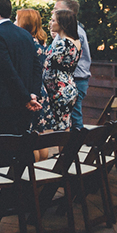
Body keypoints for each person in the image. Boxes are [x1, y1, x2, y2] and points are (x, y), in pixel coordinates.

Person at [0, 0, 42, 136]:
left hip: (4, 102)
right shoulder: (25, 34)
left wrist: (27, 98)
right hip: (25, 101)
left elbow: (7, 70)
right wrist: (32, 94)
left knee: (5, 145)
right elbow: (37, 67)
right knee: (22, 142)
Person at [35, 8, 82, 155]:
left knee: (62, 129)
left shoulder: (63, 43)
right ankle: (66, 158)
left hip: (59, 89)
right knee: (64, 125)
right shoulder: (74, 41)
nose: (50, 23)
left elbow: (46, 62)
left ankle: (64, 160)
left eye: (53, 20)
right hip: (67, 85)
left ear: (62, 23)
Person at [55, 0, 91, 130]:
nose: (53, 12)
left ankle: (77, 141)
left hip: (75, 79)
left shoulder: (74, 33)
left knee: (74, 119)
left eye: (56, 10)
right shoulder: (68, 32)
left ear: (68, 12)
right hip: (73, 79)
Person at [15, 8, 49, 103]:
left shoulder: (28, 43)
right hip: (39, 89)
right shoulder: (41, 43)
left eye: (16, 20)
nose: (14, 24)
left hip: (31, 92)